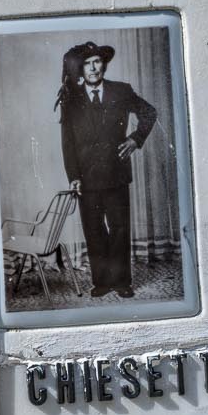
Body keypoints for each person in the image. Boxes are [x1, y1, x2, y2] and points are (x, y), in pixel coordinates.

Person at [56, 42, 159, 299]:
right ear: (81, 69)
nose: (93, 68)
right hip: (86, 179)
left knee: (120, 228)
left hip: (116, 175)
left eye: (97, 62)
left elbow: (149, 112)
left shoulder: (121, 91)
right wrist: (74, 177)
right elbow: (67, 144)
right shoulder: (71, 100)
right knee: (94, 231)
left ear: (104, 64)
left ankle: (122, 281)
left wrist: (135, 139)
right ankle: (101, 281)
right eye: (87, 64)